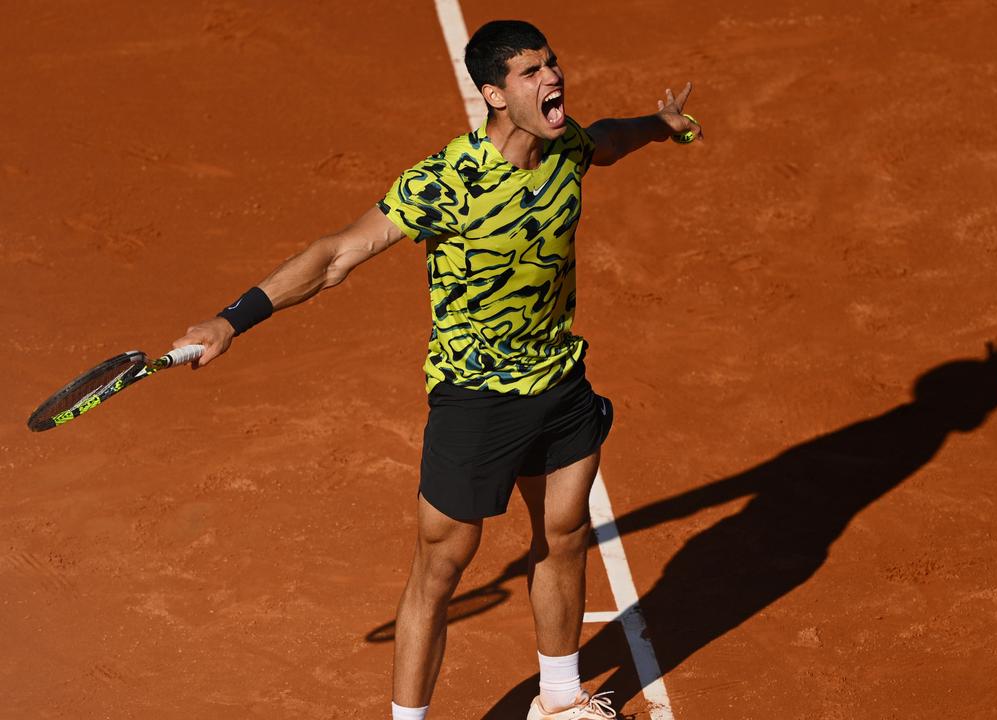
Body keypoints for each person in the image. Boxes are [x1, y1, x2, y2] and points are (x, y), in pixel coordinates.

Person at [172, 19, 701, 720]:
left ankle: (560, 699)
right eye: (530, 73)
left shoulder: (568, 146)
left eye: (552, 65)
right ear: (492, 94)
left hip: (557, 380)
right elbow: (336, 255)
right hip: (476, 402)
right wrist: (230, 319)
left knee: (566, 535)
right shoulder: (446, 181)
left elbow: (611, 136)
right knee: (441, 569)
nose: (552, 79)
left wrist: (662, 124)